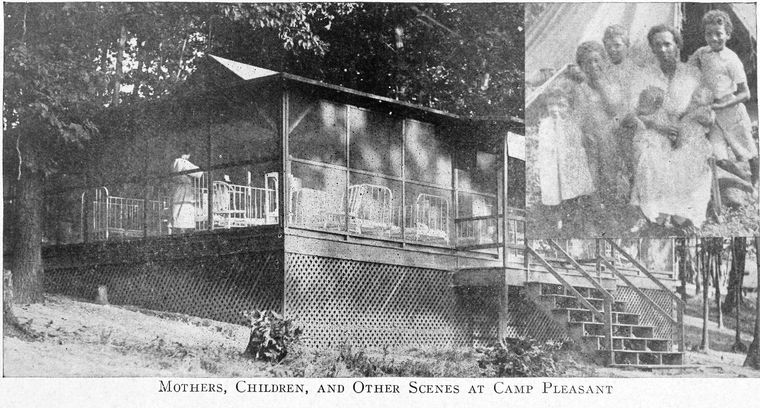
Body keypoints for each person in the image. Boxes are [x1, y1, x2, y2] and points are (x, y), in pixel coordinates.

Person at [688, 10, 758, 191]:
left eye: (718, 34)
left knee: (748, 151)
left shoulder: (732, 60)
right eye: (708, 34)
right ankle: (744, 180)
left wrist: (724, 104)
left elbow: (745, 94)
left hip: (731, 109)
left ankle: (756, 183)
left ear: (727, 34)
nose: (713, 38)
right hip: (712, 112)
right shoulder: (702, 53)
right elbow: (688, 69)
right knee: (720, 158)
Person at [572, 41, 628, 204]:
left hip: (611, 133)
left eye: (597, 60)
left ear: (604, 61)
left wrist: (600, 86)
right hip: (590, 136)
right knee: (591, 169)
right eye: (588, 62)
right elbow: (580, 117)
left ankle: (610, 200)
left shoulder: (612, 84)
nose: (593, 65)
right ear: (582, 66)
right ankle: (594, 204)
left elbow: (615, 110)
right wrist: (584, 134)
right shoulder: (580, 88)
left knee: (609, 167)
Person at [537, 86, 595, 230]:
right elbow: (543, 149)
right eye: (551, 104)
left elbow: (577, 148)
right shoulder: (545, 124)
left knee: (573, 196)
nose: (555, 109)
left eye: (561, 105)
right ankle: (557, 221)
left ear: (569, 106)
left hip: (571, 166)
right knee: (553, 196)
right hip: (552, 166)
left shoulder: (572, 123)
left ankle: (574, 222)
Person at [171, 153, 203, 234]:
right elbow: (198, 173)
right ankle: (184, 231)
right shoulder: (183, 162)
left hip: (177, 188)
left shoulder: (174, 162)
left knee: (177, 210)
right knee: (184, 210)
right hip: (184, 189)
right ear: (187, 155)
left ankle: (178, 229)